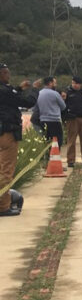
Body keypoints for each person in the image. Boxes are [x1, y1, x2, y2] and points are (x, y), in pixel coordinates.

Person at [0, 63, 36, 216]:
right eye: (7, 73)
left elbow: (11, 94)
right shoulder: (4, 91)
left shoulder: (5, 91)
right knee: (6, 171)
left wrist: (20, 88)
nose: (9, 76)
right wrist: (34, 90)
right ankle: (3, 206)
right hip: (7, 134)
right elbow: (27, 102)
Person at [36, 76, 65, 147]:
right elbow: (63, 106)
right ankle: (55, 156)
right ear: (50, 83)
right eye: (54, 83)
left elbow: (35, 108)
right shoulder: (55, 94)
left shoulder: (39, 93)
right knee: (57, 141)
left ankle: (47, 155)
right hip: (55, 121)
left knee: (46, 140)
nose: (56, 85)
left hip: (43, 120)